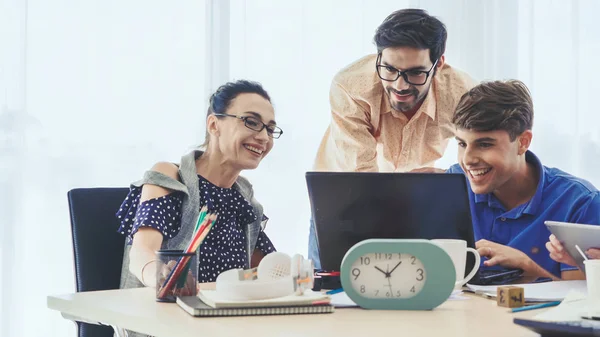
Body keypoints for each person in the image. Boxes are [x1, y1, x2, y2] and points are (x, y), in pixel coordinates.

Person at [309, 8, 476, 269]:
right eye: (389, 69)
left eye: (415, 73)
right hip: (344, 198)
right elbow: (363, 178)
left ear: (439, 64)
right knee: (333, 289)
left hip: (412, 202)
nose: (400, 85)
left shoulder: (462, 94)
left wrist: (445, 180)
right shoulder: (350, 86)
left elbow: (479, 159)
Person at [115, 80, 282, 336]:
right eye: (251, 121)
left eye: (270, 129)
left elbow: (269, 271)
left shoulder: (243, 198)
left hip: (225, 328)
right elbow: (142, 253)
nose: (263, 137)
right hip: (167, 328)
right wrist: (161, 277)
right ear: (214, 125)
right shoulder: (171, 178)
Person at [446, 79, 600, 281]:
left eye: (484, 144)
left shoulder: (580, 203)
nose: (468, 160)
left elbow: (578, 303)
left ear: (523, 143)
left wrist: (528, 268)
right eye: (462, 144)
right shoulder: (451, 186)